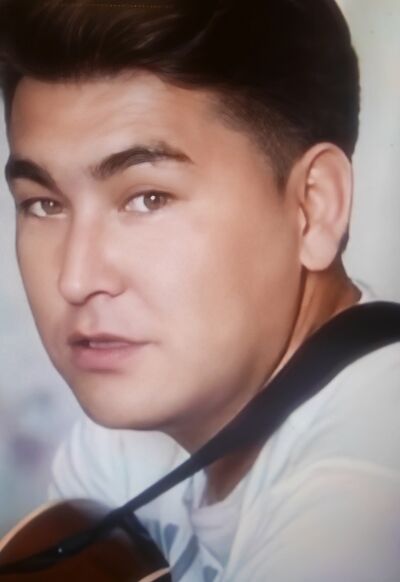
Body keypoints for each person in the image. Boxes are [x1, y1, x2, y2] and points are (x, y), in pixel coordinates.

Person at [0, 0, 399, 580]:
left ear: (313, 208)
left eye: (148, 199)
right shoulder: (120, 448)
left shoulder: (365, 490)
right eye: (44, 204)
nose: (76, 280)